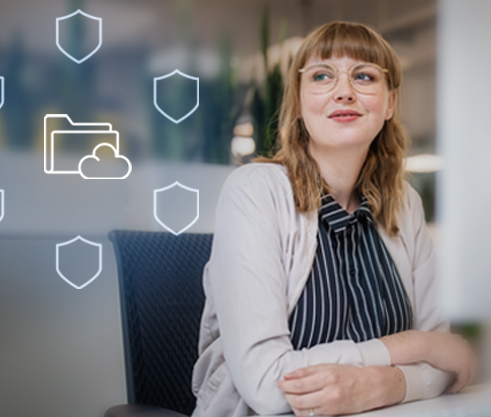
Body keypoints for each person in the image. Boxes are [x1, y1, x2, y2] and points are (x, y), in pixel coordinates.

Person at [191, 21, 476, 417]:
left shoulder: (403, 202)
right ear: (299, 101)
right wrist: (415, 347)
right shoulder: (255, 191)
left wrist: (377, 386)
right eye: (323, 76)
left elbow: (449, 370)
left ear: (389, 103)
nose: (344, 91)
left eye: (364, 76)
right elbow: (267, 386)